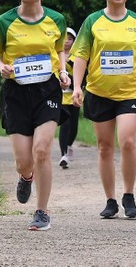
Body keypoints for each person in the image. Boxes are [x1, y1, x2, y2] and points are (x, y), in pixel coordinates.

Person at [0, 0, 70, 231]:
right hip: (16, 92)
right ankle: (26, 176)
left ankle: (42, 211)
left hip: (47, 89)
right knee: (24, 160)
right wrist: (2, 68)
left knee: (42, 150)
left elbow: (60, 51)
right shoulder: (4, 21)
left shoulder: (56, 19)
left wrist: (64, 71)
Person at [71, 0, 136, 219]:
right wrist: (77, 86)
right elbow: (81, 56)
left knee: (128, 141)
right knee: (104, 147)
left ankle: (129, 195)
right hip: (98, 92)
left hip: (129, 92)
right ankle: (110, 200)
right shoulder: (93, 21)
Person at [58, 27, 79, 169]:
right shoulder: (55, 56)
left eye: (70, 39)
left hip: (73, 95)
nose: (67, 41)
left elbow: (80, 75)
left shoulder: (76, 56)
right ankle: (63, 154)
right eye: (65, 38)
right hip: (60, 96)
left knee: (74, 126)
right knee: (64, 125)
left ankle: (70, 144)